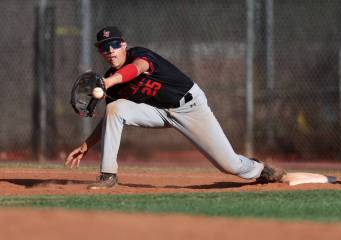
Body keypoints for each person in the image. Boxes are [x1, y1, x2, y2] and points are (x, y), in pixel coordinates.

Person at [65, 26, 286, 189]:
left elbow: (137, 69)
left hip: (190, 106)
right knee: (115, 109)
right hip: (159, 112)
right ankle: (108, 176)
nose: (110, 50)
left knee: (229, 165)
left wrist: (109, 82)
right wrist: (87, 144)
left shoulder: (139, 55)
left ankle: (260, 169)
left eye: (114, 44)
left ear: (124, 45)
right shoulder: (109, 81)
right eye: (104, 47)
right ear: (100, 52)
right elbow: (110, 119)